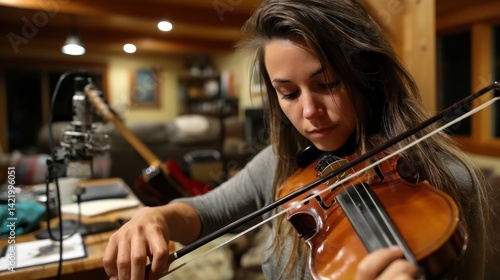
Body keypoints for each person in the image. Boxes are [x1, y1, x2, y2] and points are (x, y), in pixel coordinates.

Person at [103, 0, 490, 279]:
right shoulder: (282, 162)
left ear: (369, 77)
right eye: (288, 93)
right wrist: (155, 217)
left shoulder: (448, 181)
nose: (308, 112)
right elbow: (205, 212)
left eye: (326, 84)